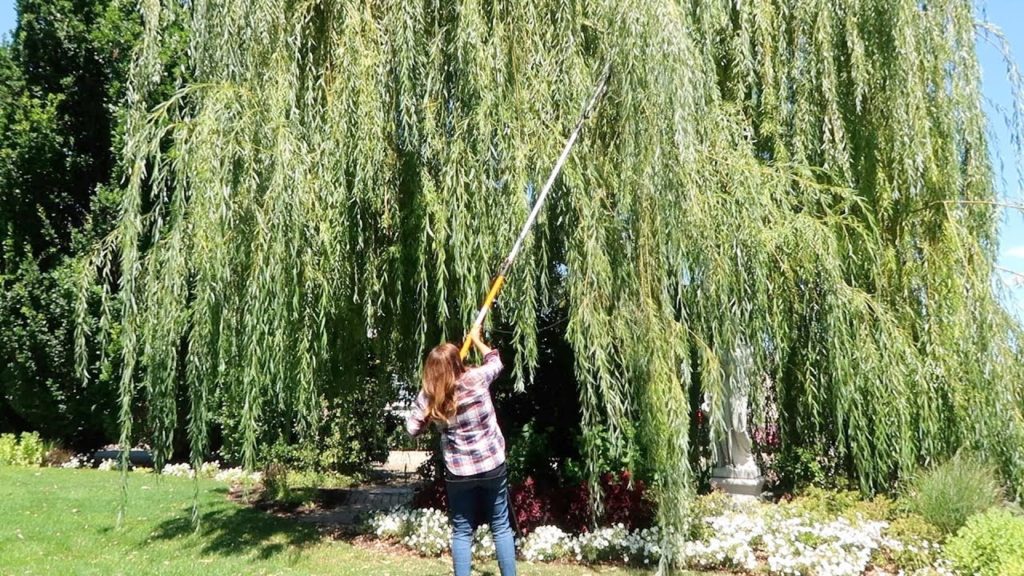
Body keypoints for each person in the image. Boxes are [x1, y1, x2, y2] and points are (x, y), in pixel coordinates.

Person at [406, 325, 517, 576]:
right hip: (492, 464)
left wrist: (426, 401)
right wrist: (477, 340)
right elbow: (495, 361)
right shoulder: (477, 378)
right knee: (500, 525)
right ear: (458, 362)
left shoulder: (430, 396)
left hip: (459, 472)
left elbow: (412, 429)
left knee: (462, 530)